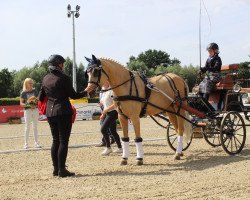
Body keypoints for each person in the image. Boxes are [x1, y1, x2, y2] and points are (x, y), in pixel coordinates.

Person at [38, 54, 87, 178]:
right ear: (59, 64)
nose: (63, 66)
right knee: (63, 141)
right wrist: (87, 91)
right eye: (62, 64)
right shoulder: (64, 77)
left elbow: (40, 97)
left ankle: (56, 169)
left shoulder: (45, 78)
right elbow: (74, 95)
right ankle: (62, 170)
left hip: (50, 113)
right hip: (63, 112)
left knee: (55, 141)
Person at [99, 81, 122, 155]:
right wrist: (103, 112)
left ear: (107, 82)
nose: (101, 83)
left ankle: (108, 148)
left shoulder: (111, 90)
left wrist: (105, 110)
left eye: (103, 82)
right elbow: (104, 103)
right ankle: (120, 148)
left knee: (103, 129)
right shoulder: (105, 91)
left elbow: (116, 104)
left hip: (113, 112)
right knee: (113, 131)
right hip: (108, 112)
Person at [20, 78, 41, 149]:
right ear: (26, 84)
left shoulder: (35, 91)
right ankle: (26, 144)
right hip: (27, 111)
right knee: (27, 127)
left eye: (32, 83)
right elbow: (21, 103)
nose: (31, 84)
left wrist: (36, 104)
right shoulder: (23, 92)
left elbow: (38, 100)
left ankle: (36, 143)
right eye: (30, 83)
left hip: (35, 110)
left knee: (35, 127)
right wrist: (29, 105)